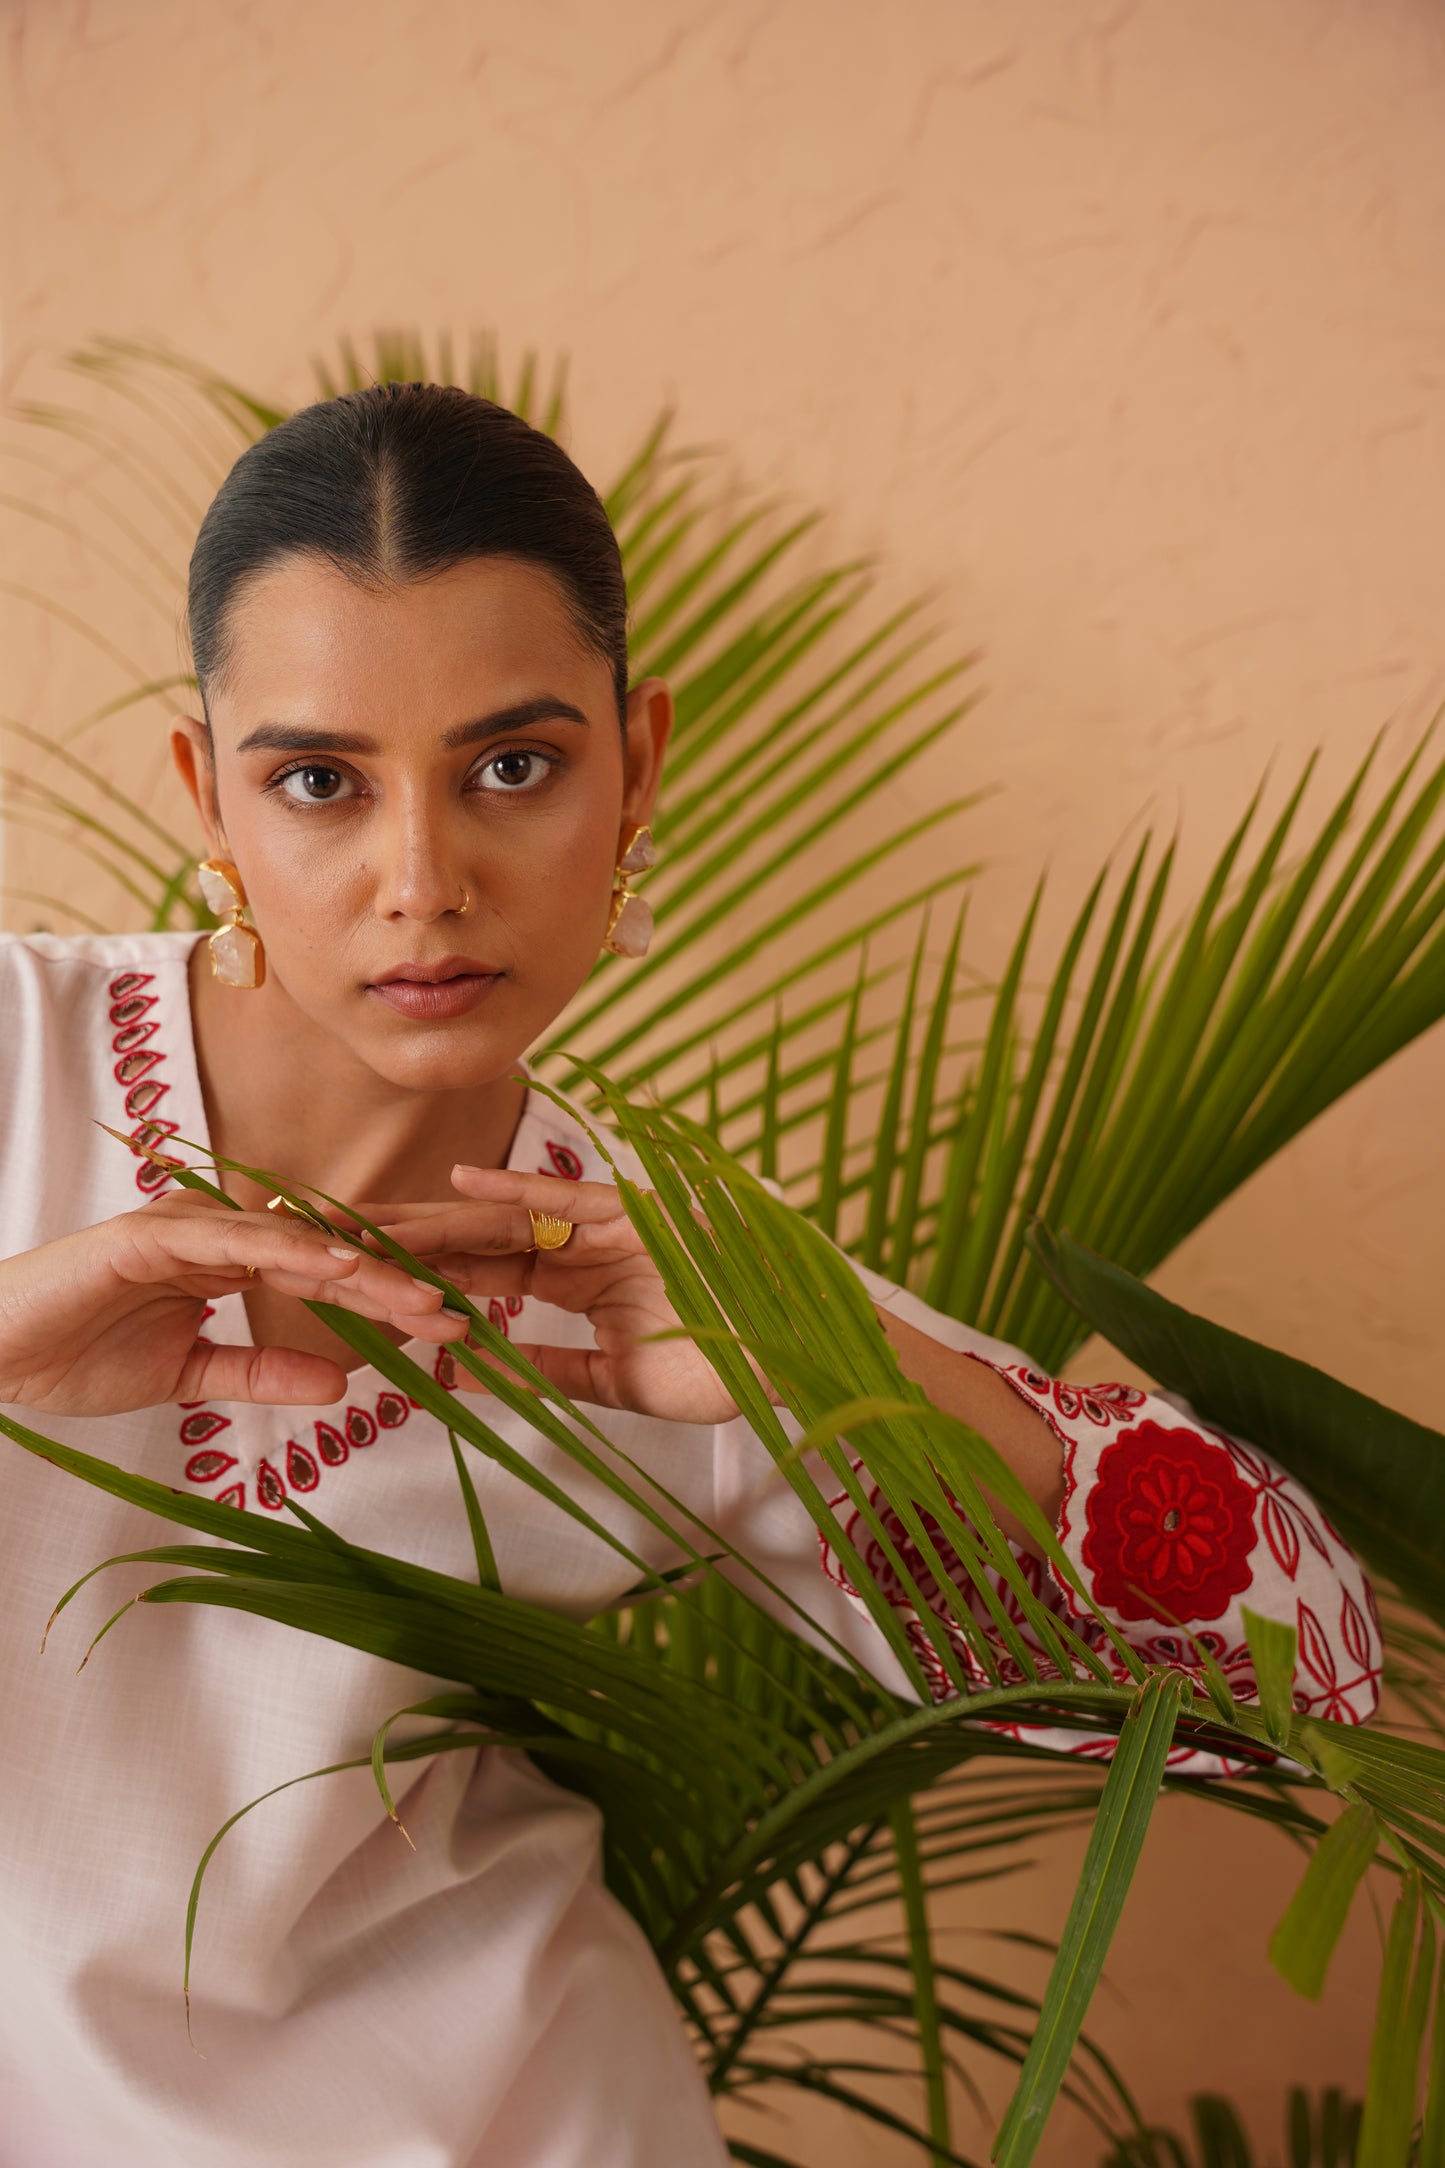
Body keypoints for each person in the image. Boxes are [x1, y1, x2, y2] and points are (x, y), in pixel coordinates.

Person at [0, 385, 1380, 2168]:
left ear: (637, 767)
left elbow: (1305, 1685)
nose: (422, 881)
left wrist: (834, 1370)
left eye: (513, 766)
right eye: (320, 782)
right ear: (208, 792)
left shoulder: (659, 1290)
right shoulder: (16, 1060)